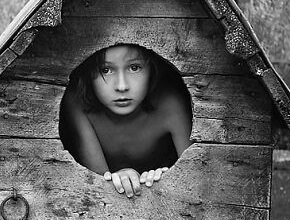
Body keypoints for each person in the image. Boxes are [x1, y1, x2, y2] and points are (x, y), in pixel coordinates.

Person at [59, 44, 192, 198]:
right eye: (105, 70)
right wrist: (120, 178)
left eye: (134, 67)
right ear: (88, 73)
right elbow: (98, 185)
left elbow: (193, 174)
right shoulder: (77, 103)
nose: (122, 86)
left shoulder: (170, 103)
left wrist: (164, 177)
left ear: (152, 68)